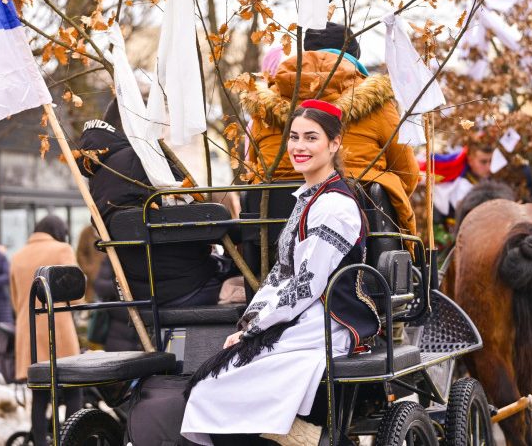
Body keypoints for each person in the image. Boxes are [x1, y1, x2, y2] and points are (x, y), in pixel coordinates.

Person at [182, 100, 381, 446]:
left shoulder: (333, 206)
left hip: (325, 324)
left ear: (334, 144)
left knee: (213, 392)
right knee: (211, 391)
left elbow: (306, 284)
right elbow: (281, 274)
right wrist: (252, 323)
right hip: (304, 319)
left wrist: (256, 329)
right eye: (294, 137)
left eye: (311, 138)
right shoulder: (310, 199)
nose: (299, 146)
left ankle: (311, 439)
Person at [241, 22, 419, 237]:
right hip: (363, 228)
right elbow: (407, 171)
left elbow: (253, 167)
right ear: (354, 57)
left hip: (270, 228)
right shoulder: (378, 102)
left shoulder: (265, 104)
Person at [76, 100, 225, 307]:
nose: (162, 136)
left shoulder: (99, 175)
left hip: (141, 293)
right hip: (188, 283)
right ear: (139, 125)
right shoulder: (144, 159)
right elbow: (198, 212)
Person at [9, 215, 81, 446]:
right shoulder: (62, 250)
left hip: (28, 330)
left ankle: (40, 443)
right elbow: (76, 295)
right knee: (73, 389)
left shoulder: (17, 256)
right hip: (57, 329)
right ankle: (71, 441)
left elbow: (16, 301)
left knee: (39, 395)